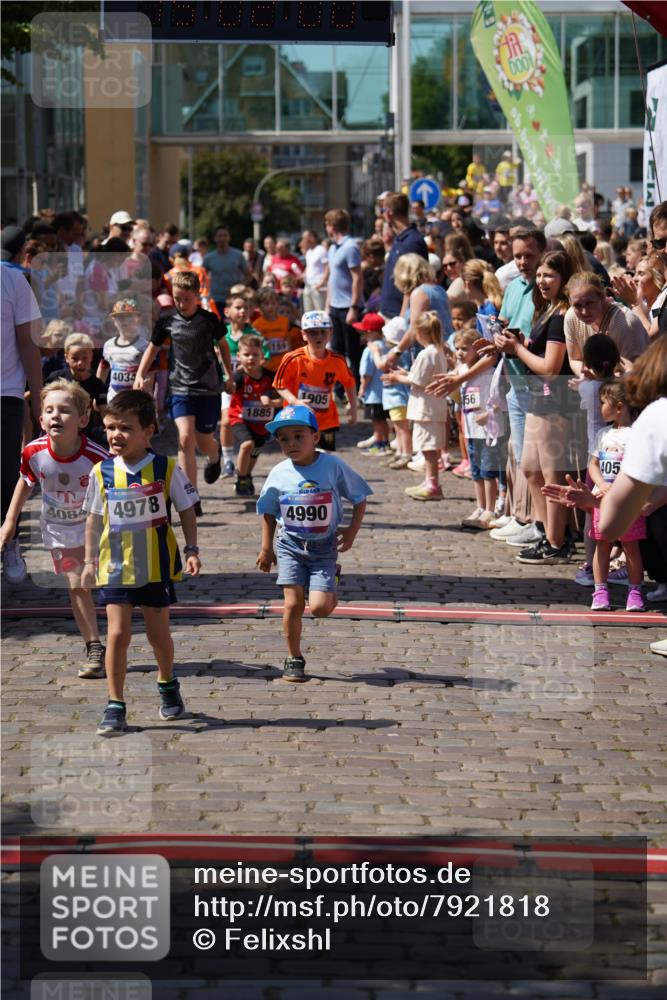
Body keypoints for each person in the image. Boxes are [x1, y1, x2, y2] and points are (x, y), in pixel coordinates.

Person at [81, 390, 200, 735]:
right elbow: (93, 518)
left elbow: (187, 509)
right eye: (109, 428)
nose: (115, 435)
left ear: (148, 430)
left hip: (156, 567)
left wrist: (192, 549)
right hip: (115, 567)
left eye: (125, 428)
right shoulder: (101, 471)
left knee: (157, 634)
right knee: (117, 634)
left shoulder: (166, 468)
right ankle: (115, 704)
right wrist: (89, 561)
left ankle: (167, 684)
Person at [255, 404, 372, 683]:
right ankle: (294, 657)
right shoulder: (280, 472)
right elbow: (268, 511)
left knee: (319, 609)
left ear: (315, 437)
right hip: (290, 545)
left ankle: (333, 579)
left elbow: (360, 496)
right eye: (284, 439)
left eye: (299, 436)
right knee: (293, 604)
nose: (291, 443)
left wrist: (352, 531)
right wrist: (266, 548)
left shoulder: (332, 465)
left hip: (324, 546)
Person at [0, 380, 108, 676]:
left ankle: (109, 634)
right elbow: (26, 481)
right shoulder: (34, 452)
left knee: (92, 586)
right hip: (58, 530)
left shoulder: (97, 457)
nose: (55, 416)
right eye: (49, 410)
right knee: (77, 587)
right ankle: (94, 646)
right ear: (41, 419)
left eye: (64, 410)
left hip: (94, 529)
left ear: (83, 420)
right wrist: (9, 522)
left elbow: (114, 493)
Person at [493, 251, 577, 563]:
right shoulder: (548, 309)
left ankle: (557, 541)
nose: (541, 281)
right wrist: (516, 344)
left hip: (555, 400)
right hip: (537, 397)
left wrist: (517, 348)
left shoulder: (561, 315)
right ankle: (545, 530)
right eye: (540, 275)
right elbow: (536, 353)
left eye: (549, 276)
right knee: (530, 467)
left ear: (563, 279)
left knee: (551, 474)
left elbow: (551, 367)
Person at [134, 270, 232, 508]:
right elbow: (153, 348)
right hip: (180, 388)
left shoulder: (209, 321)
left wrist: (228, 373)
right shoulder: (168, 321)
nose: (182, 304)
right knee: (185, 438)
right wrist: (140, 373)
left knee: (203, 439)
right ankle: (191, 495)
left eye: (187, 299)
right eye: (177, 299)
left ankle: (215, 455)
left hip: (208, 388)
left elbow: (223, 345)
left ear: (197, 295)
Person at [1, 263, 43, 583]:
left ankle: (10, 540)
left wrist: (38, 398)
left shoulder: (13, 280)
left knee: (4, 476)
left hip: (6, 392)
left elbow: (29, 344)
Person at [587, 380, 646, 612]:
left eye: (603, 403)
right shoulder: (603, 434)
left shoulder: (636, 436)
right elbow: (593, 464)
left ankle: (635, 591)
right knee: (602, 545)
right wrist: (600, 483)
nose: (599, 407)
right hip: (602, 500)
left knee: (631, 547)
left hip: (629, 502)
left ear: (619, 407)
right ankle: (600, 590)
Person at [382, 311, 448, 501]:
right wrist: (407, 373)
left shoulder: (427, 354)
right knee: (429, 447)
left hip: (425, 408)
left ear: (420, 333)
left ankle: (433, 484)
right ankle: (430, 480)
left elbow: (417, 380)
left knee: (428, 448)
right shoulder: (438, 351)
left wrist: (397, 377)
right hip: (433, 406)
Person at [273, 310, 357, 452]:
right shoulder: (293, 359)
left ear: (331, 333)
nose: (318, 336)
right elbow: (279, 385)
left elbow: (349, 383)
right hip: (298, 417)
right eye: (312, 332)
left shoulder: (337, 361)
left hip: (326, 419)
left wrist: (353, 408)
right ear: (303, 335)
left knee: (326, 458)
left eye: (323, 332)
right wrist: (295, 401)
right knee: (301, 455)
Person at [454, 327, 505, 529]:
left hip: (488, 432)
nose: (459, 353)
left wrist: (490, 413)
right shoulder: (463, 372)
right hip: (471, 431)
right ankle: (481, 505)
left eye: (464, 348)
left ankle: (490, 510)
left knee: (488, 472)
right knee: (476, 472)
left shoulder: (488, 372)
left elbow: (499, 398)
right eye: (457, 348)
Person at [219, 289, 268, 478]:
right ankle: (229, 461)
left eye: (247, 308)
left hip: (249, 386)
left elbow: (266, 356)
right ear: (227, 311)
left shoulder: (254, 334)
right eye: (238, 307)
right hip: (228, 385)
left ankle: (244, 468)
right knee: (225, 421)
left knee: (251, 430)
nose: (243, 311)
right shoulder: (222, 334)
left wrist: (254, 362)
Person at [564, 271, 648, 377]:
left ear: (602, 297)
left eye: (589, 303)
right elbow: (575, 359)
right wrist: (589, 378)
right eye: (577, 305)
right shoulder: (571, 317)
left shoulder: (625, 322)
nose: (584, 311)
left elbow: (634, 372)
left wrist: (597, 381)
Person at [227, 334, 281, 497]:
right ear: (239, 356)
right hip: (239, 418)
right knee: (247, 445)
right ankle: (241, 476)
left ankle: (247, 474)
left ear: (262, 356)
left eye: (255, 354)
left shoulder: (270, 377)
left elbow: (284, 400)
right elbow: (228, 388)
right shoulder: (239, 377)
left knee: (256, 450)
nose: (251, 358)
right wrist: (227, 383)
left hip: (261, 422)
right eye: (246, 354)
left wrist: (272, 403)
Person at [46, 332, 108, 447]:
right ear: (66, 357)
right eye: (75, 358)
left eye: (85, 358)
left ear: (91, 357)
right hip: (57, 429)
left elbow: (103, 409)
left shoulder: (96, 383)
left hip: (86, 433)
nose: (80, 363)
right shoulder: (56, 378)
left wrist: (109, 426)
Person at [323, 208, 364, 380]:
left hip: (348, 307)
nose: (326, 228)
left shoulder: (350, 247)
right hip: (335, 306)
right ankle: (339, 388)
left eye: (326, 224)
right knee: (336, 350)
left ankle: (354, 388)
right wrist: (327, 306)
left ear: (332, 226)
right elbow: (333, 279)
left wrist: (354, 308)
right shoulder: (333, 248)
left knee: (353, 352)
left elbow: (358, 278)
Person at [379, 192, 429, 319]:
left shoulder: (411, 242)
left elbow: (412, 284)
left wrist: (401, 319)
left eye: (382, 210)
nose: (382, 214)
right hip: (391, 313)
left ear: (389, 213)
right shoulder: (401, 239)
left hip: (399, 316)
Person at [97, 299, 154, 402]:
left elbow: (150, 376)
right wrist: (97, 395)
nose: (124, 321)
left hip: (136, 401)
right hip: (114, 401)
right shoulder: (109, 345)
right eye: (120, 317)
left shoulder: (145, 347)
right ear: (114, 321)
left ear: (138, 319)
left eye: (129, 316)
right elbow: (103, 368)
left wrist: (145, 398)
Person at [353, 313, 390, 455]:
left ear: (370, 332)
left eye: (364, 332)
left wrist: (362, 388)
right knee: (384, 420)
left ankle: (379, 444)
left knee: (377, 421)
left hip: (374, 393)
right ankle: (385, 442)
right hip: (385, 392)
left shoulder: (370, 349)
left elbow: (366, 373)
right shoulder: (386, 346)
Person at [252, 287, 302, 372]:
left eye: (273, 303)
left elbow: (288, 342)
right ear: (259, 306)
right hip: (266, 368)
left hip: (284, 366)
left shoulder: (284, 321)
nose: (270, 306)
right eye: (266, 304)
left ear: (278, 303)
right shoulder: (256, 325)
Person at [203, 227, 250, 309]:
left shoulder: (238, 255)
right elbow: (201, 277)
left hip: (234, 299)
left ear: (229, 237)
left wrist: (241, 287)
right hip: (215, 299)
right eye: (219, 235)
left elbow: (248, 275)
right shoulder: (208, 257)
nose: (222, 238)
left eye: (225, 235)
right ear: (215, 238)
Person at [301, 230, 328, 312]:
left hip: (318, 286)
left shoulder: (321, 250)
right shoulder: (309, 252)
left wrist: (322, 282)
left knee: (320, 312)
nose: (305, 240)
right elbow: (309, 266)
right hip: (308, 286)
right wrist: (304, 274)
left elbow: (327, 267)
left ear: (312, 237)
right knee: (308, 312)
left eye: (306, 237)